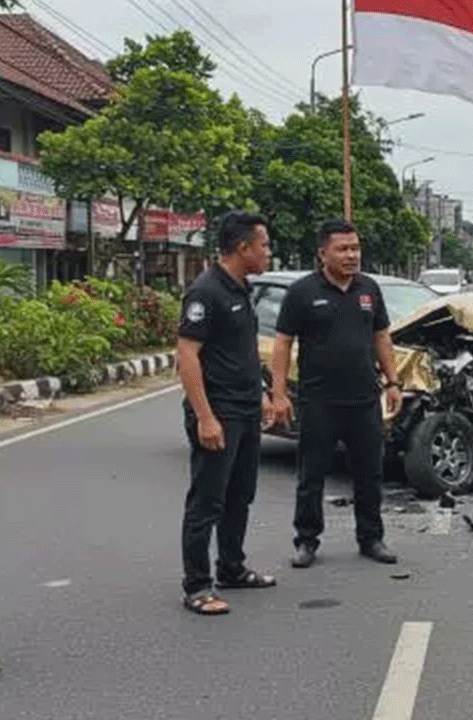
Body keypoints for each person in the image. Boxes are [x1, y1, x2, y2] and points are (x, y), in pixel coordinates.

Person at [270, 218, 403, 567]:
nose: (351, 255)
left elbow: (382, 337)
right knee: (311, 475)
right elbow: (282, 344)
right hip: (318, 401)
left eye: (355, 248)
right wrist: (279, 393)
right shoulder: (302, 293)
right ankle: (307, 540)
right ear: (322, 253)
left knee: (369, 474)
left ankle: (371, 538)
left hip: (363, 400)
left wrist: (393, 382)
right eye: (342, 249)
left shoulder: (369, 289)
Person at [176, 210, 277, 616]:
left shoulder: (240, 290)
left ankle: (231, 568)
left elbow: (242, 353)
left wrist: (264, 392)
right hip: (219, 411)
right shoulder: (206, 291)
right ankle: (197, 585)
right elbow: (187, 354)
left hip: (246, 408)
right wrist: (205, 416)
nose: (268, 252)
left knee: (240, 495)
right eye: (264, 245)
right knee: (208, 500)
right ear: (242, 248)